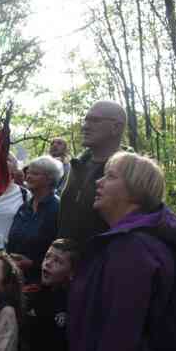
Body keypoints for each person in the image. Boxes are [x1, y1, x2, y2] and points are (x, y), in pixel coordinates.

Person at [68, 152, 176, 351]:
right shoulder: (131, 241)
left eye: (110, 177)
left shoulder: (132, 249)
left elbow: (118, 339)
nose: (98, 182)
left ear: (134, 191)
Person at [58, 101, 126, 246]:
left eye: (95, 120)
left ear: (116, 127)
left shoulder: (129, 172)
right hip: (67, 263)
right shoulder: (77, 165)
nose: (85, 126)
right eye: (86, 120)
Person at [20, 239, 80, 351]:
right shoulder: (29, 294)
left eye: (58, 261)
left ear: (72, 272)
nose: (48, 263)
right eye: (47, 257)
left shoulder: (75, 304)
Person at [7, 155, 63, 284]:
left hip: (42, 282)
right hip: (15, 279)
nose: (28, 176)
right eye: (28, 172)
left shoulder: (58, 209)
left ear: (49, 179)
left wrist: (33, 263)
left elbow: (60, 250)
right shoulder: (24, 207)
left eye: (35, 173)